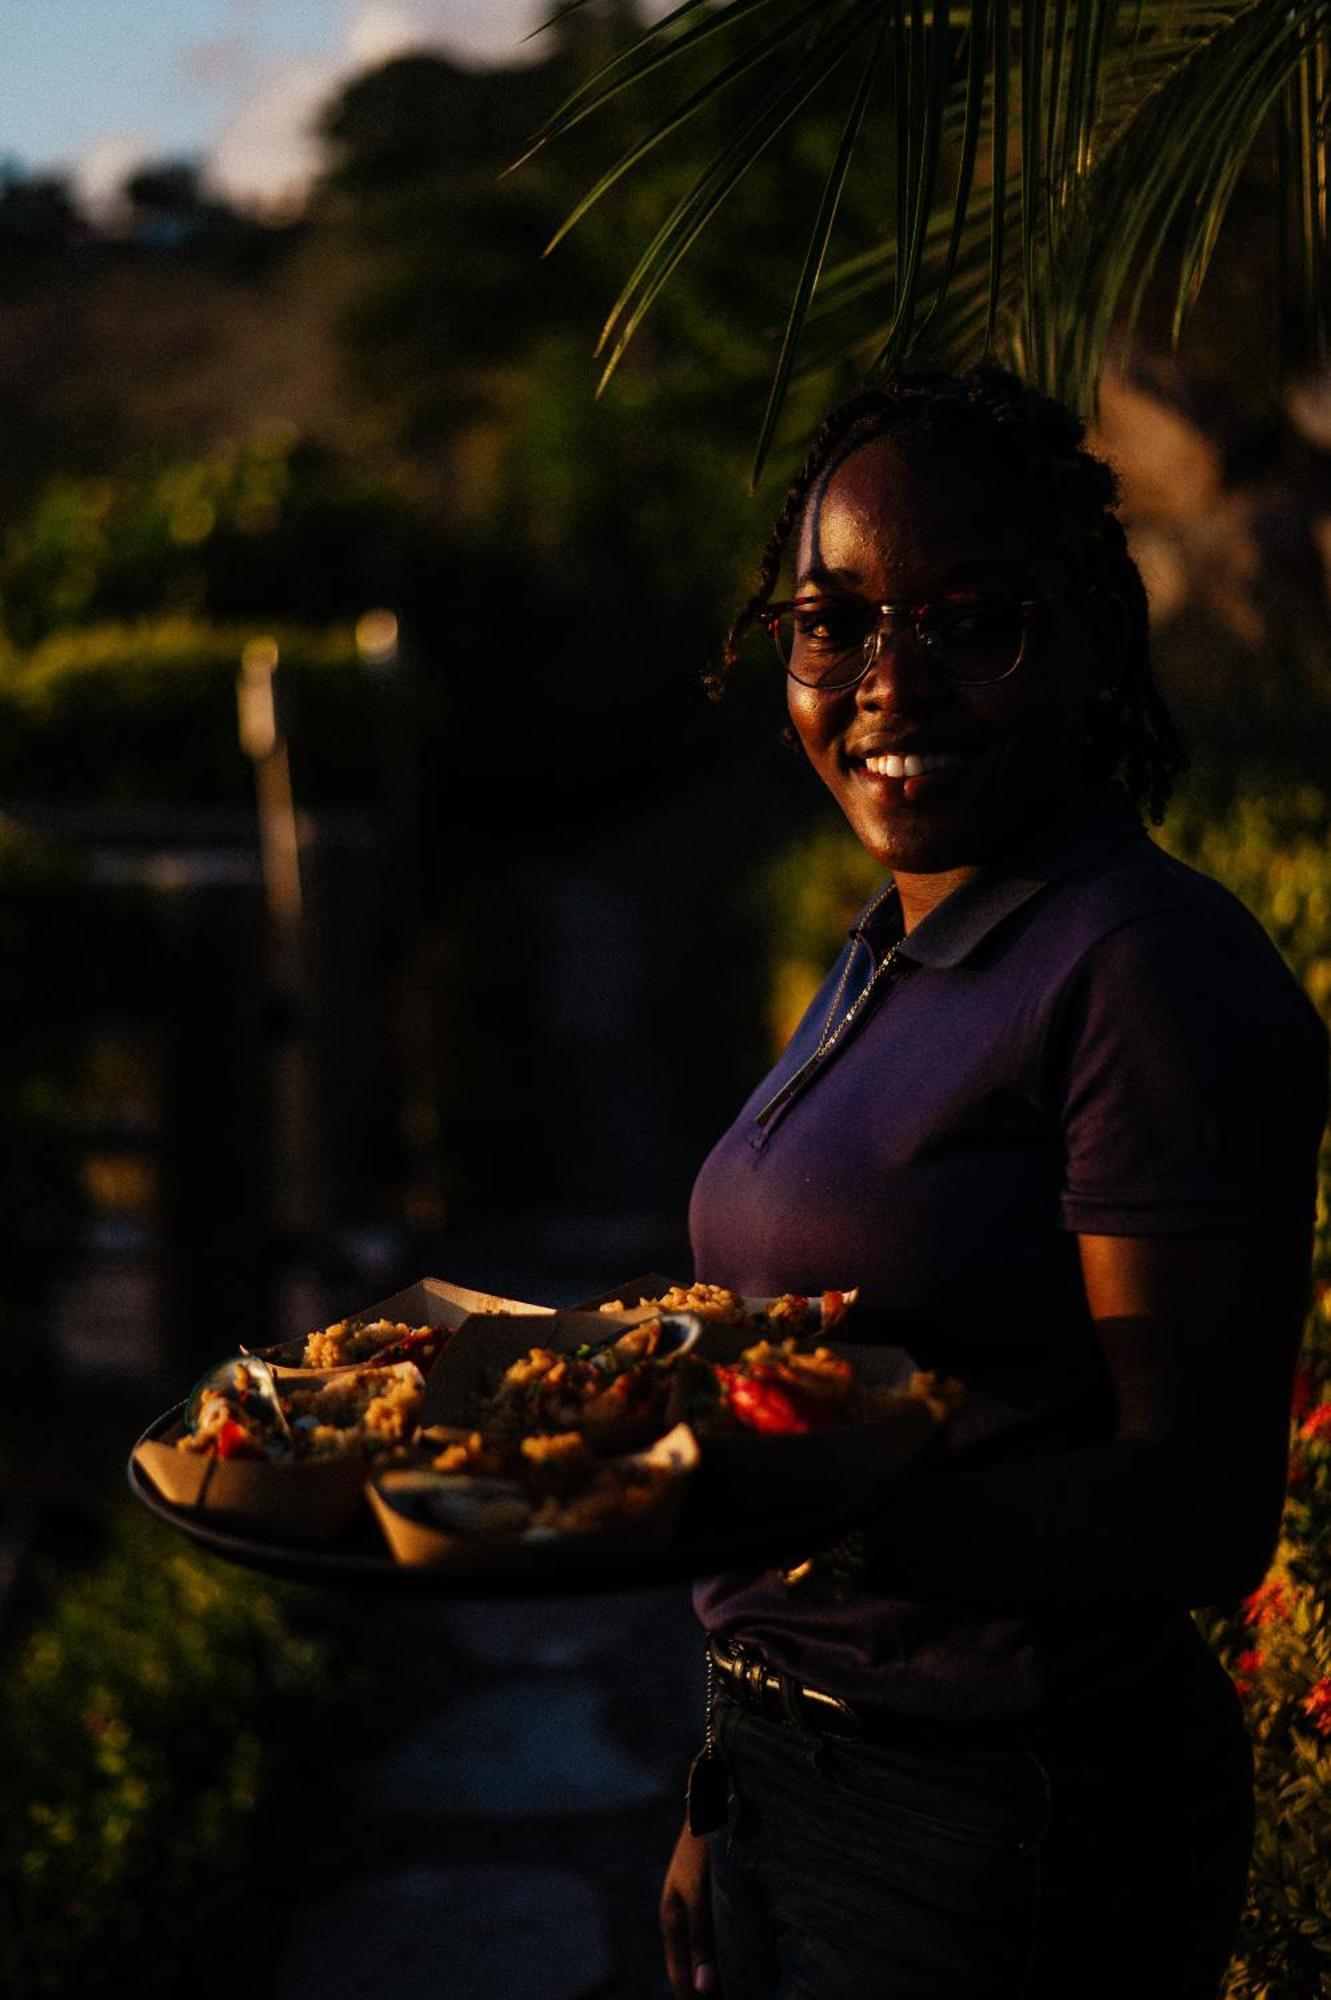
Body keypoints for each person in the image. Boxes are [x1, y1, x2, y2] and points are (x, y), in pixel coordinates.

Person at [658, 367, 1328, 2000]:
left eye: (974, 619)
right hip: (791, 1776)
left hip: (991, 1822)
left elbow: (1200, 1501)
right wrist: (717, 1790)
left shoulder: (1142, 967)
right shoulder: (893, 945)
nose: (890, 682)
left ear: (1097, 634)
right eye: (832, 624)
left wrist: (803, 1523)